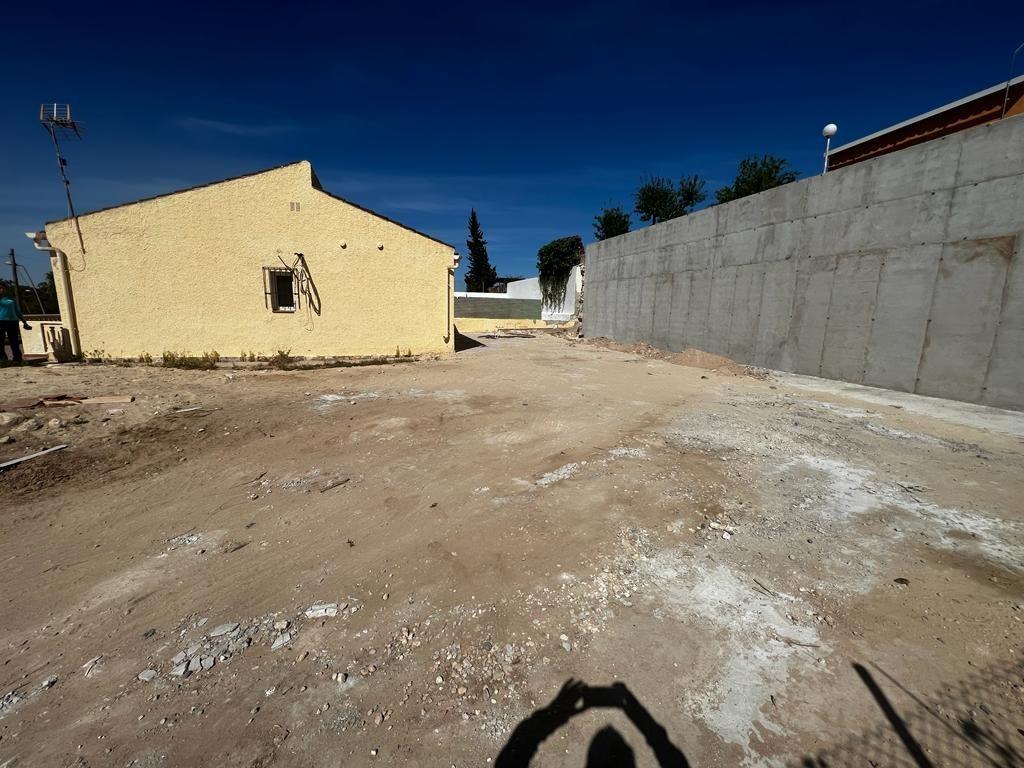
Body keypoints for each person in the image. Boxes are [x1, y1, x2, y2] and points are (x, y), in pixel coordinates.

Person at [0, 283, 31, 364]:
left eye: (3, 288)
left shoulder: (10, 299)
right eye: (0, 288)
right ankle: (3, 359)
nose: (2, 290)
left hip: (13, 322)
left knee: (14, 341)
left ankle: (17, 358)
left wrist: (24, 322)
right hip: (1, 322)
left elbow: (17, 312)